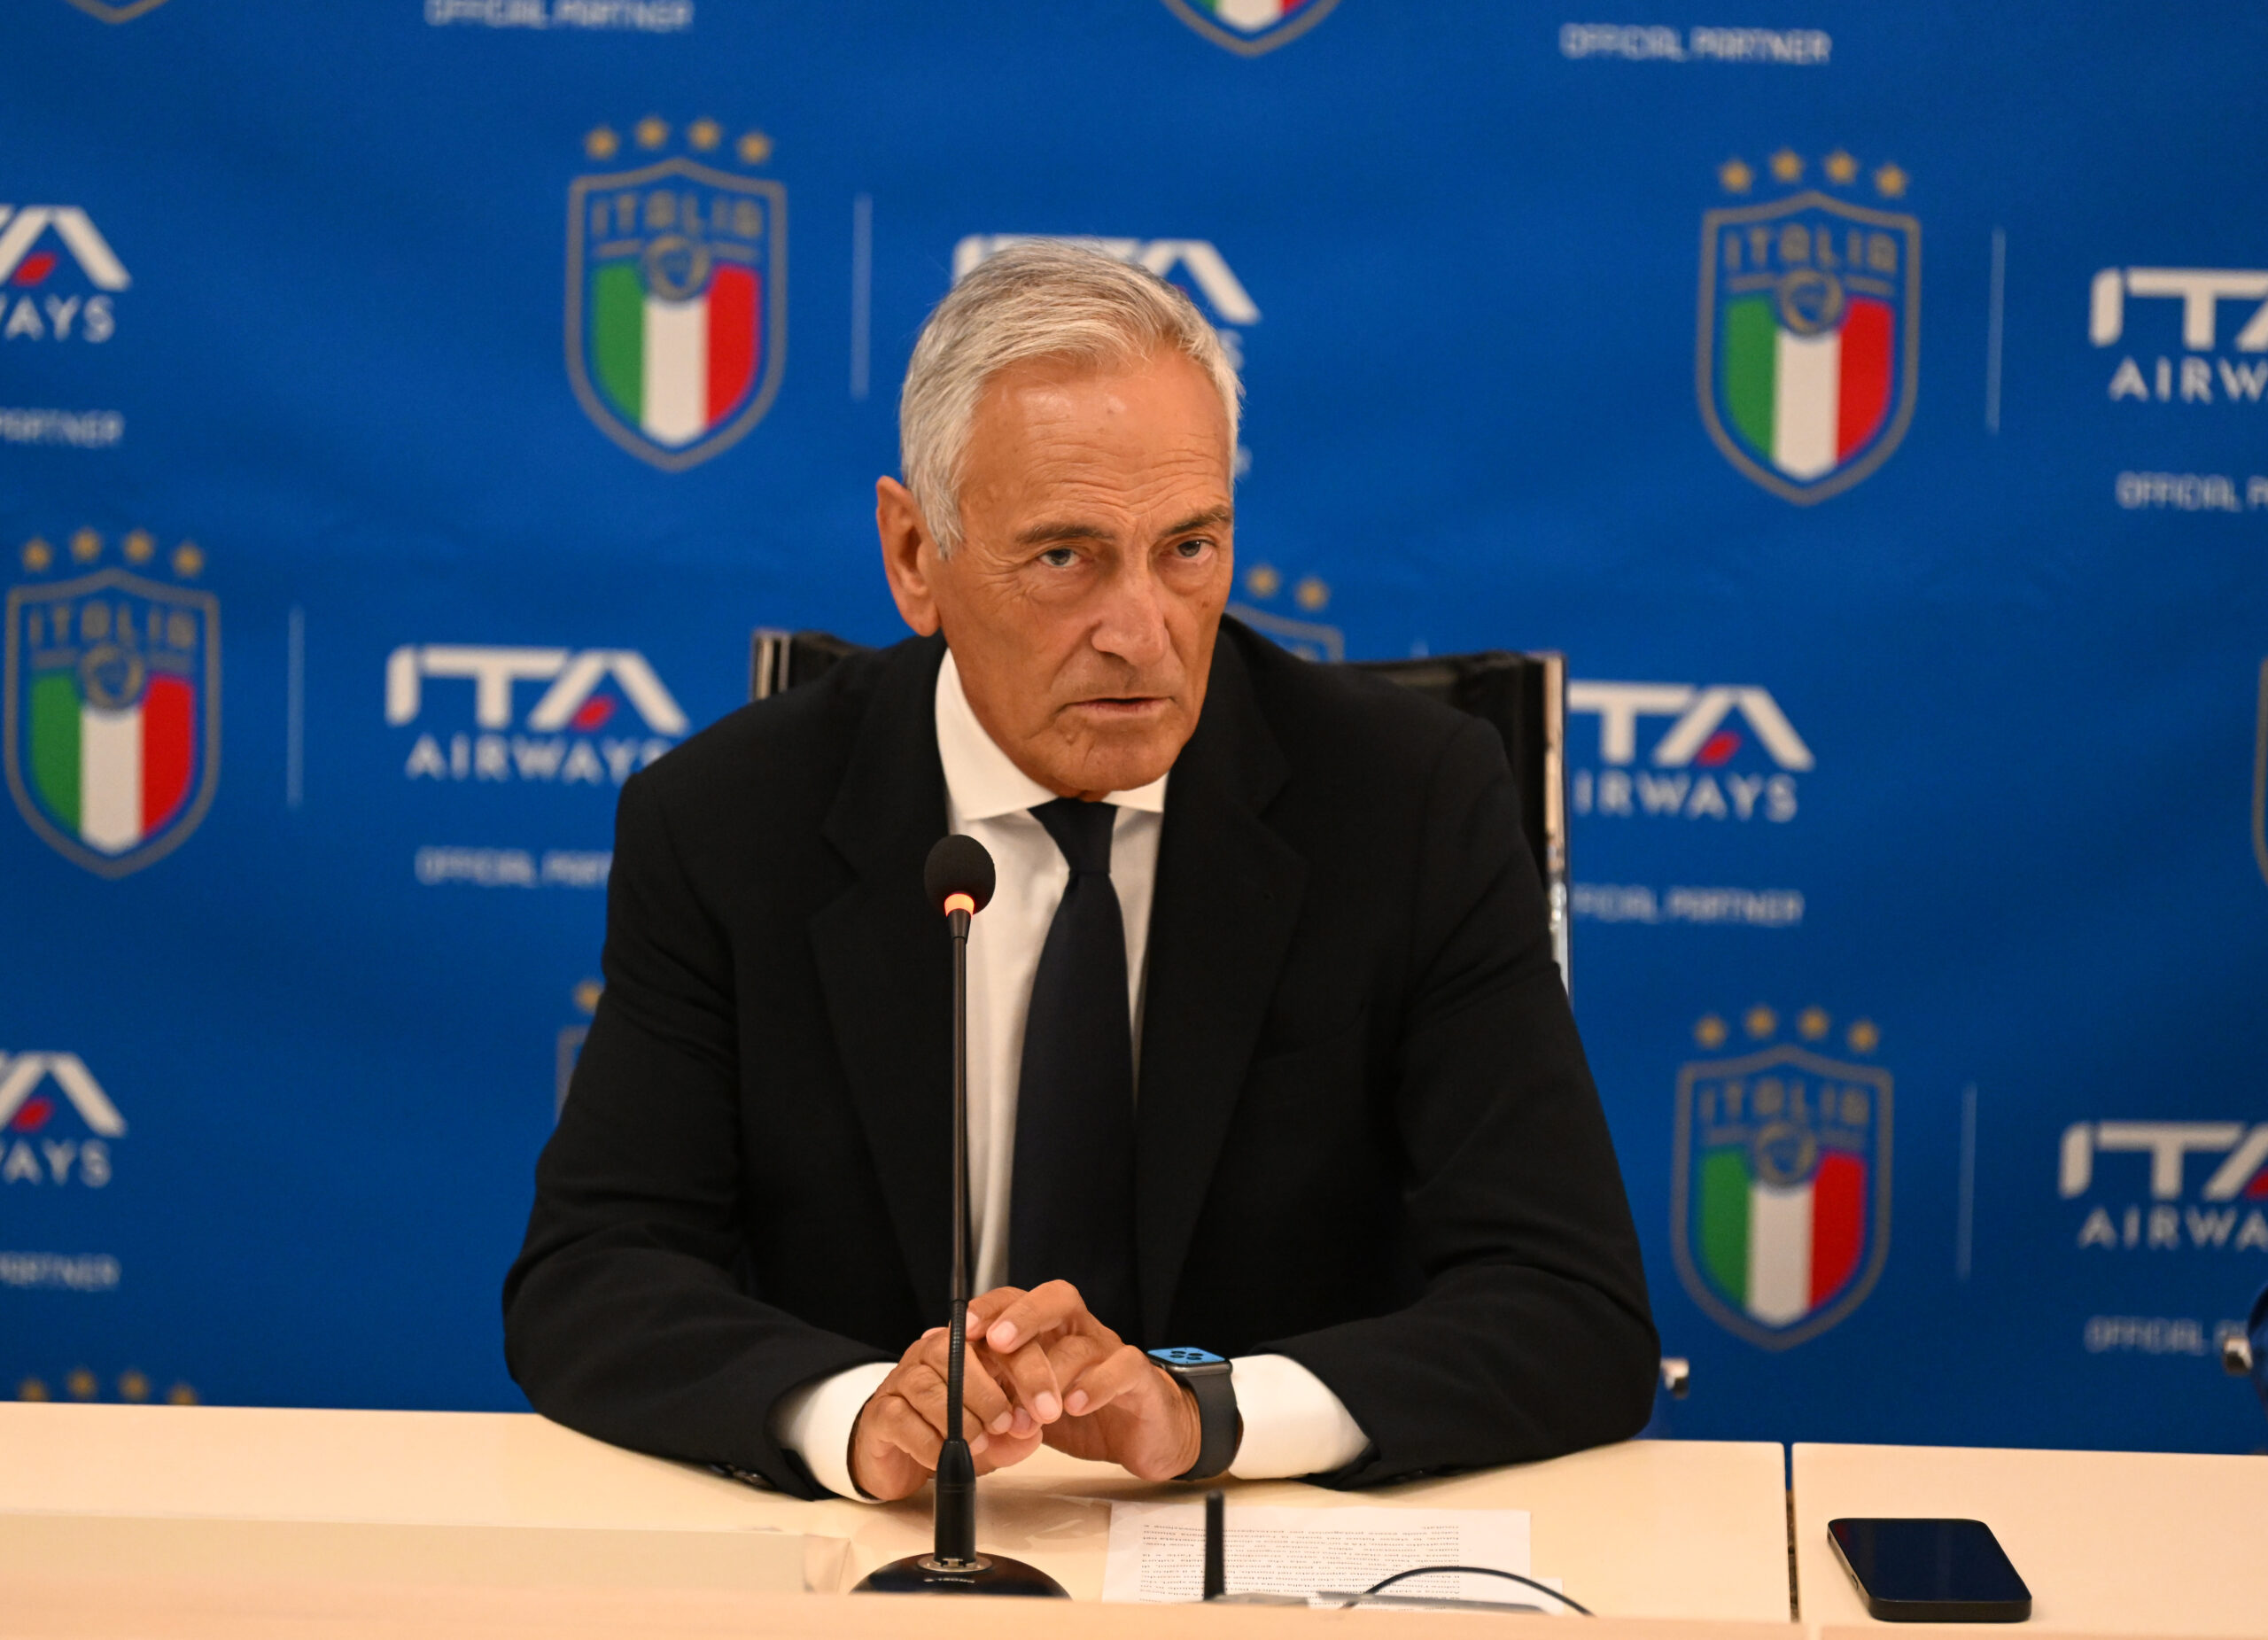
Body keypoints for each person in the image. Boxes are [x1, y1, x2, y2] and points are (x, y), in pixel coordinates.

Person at [503, 241, 1657, 1503]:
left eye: (1188, 548)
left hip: (1263, 1545)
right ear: (914, 556)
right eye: (1066, 557)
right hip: (878, 1556)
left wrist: (1207, 1408)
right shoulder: (726, 821)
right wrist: (858, 1416)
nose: (1141, 633)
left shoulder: (1410, 805)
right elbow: (593, 1277)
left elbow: (1574, 1310)